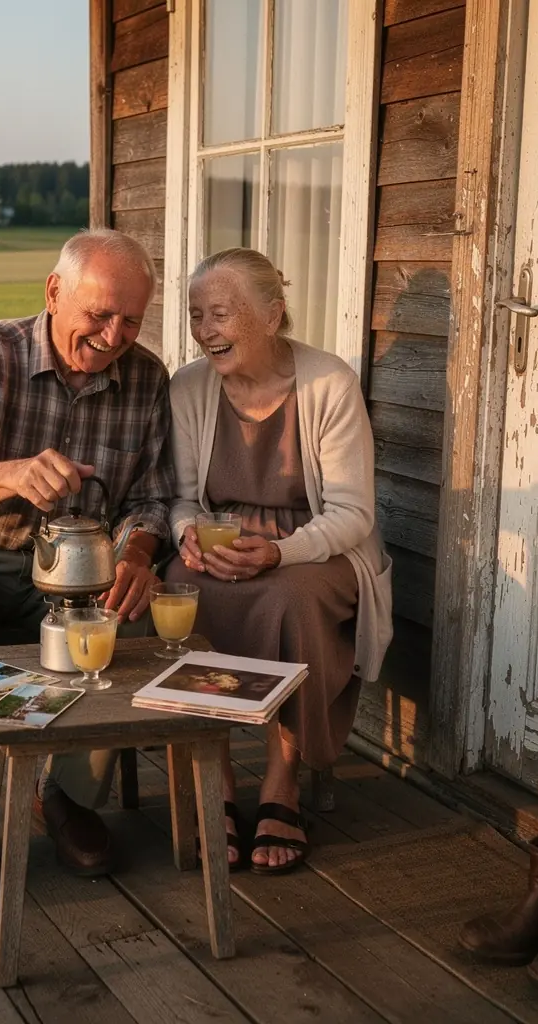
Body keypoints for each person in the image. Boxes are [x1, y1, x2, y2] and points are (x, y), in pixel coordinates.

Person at [0, 228, 174, 910]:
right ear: (54, 292)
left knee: (134, 617)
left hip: (77, 574)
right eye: (99, 315)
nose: (114, 336)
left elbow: (151, 500)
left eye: (130, 320)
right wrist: (11, 474)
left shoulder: (148, 379)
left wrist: (137, 552)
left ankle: (66, 797)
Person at [165, 247, 392, 874]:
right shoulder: (188, 387)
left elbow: (353, 514)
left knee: (291, 598)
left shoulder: (329, 381)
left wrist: (281, 552)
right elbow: (182, 500)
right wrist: (187, 536)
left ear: (272, 314)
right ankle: (217, 785)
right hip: (224, 549)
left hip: (318, 550)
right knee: (178, 592)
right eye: (196, 315)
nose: (206, 330)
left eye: (221, 314)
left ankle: (280, 783)